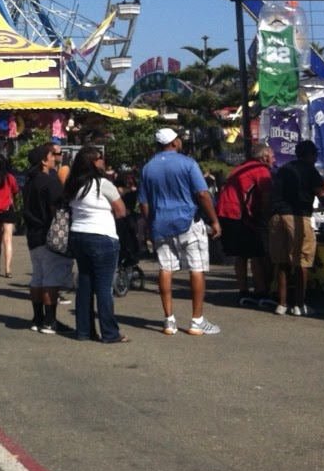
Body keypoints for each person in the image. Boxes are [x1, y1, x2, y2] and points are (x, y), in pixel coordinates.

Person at [139, 128, 221, 336]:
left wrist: (150, 225)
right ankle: (196, 321)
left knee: (166, 268)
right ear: (174, 142)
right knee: (197, 268)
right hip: (188, 221)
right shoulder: (188, 163)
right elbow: (202, 194)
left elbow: (144, 203)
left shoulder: (148, 168)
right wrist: (214, 220)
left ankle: (169, 321)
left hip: (160, 223)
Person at [64, 146, 129, 344]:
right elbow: (121, 211)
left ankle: (84, 331)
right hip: (102, 236)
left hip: (78, 235)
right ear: (94, 162)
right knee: (103, 287)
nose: (103, 161)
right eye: (100, 158)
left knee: (84, 283)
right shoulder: (103, 184)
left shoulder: (73, 184)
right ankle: (109, 333)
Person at [266, 139, 324, 317]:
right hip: (298, 216)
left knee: (281, 262)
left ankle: (281, 304)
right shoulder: (311, 171)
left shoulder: (284, 169)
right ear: (312, 155)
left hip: (276, 217)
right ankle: (299, 304)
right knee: (301, 261)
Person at [21, 142, 70, 334]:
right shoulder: (49, 181)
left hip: (33, 234)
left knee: (38, 276)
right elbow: (56, 207)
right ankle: (50, 321)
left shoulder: (29, 182)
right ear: (43, 160)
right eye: (51, 155)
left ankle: (38, 318)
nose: (54, 159)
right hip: (48, 233)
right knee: (50, 278)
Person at [217, 143, 274, 306]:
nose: (274, 160)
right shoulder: (261, 170)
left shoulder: (240, 168)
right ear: (264, 157)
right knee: (256, 253)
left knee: (240, 255)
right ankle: (261, 291)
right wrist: (269, 217)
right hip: (240, 214)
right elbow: (267, 196)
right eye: (272, 156)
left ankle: (243, 290)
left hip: (225, 212)